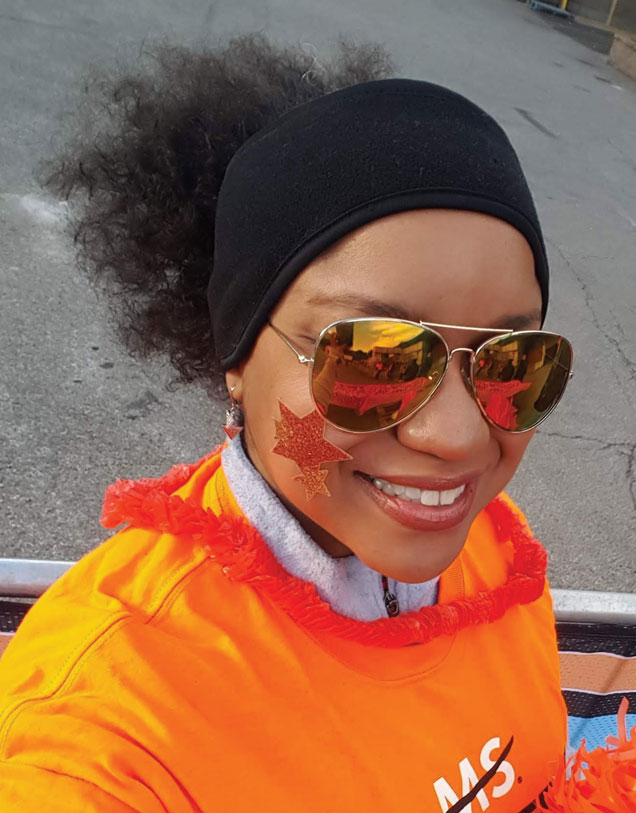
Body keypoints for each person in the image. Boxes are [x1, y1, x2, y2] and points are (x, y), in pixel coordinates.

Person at [0, 35, 575, 812]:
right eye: (373, 358)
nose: (459, 438)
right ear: (236, 355)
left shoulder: (495, 549)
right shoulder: (118, 713)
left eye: (513, 361)